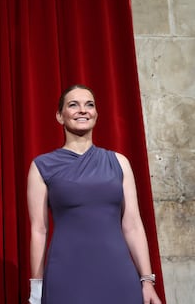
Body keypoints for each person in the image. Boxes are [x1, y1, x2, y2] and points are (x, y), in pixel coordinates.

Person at [27, 84, 162, 304]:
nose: (83, 110)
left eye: (89, 105)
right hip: (65, 273)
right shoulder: (42, 166)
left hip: (118, 272)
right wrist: (37, 285)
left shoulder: (119, 162)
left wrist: (147, 281)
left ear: (96, 114)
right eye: (73, 105)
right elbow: (39, 229)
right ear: (60, 116)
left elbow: (133, 224)